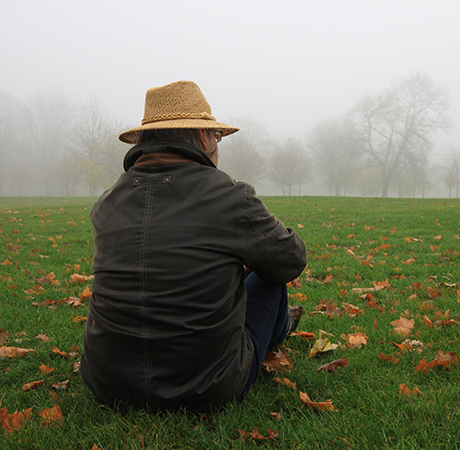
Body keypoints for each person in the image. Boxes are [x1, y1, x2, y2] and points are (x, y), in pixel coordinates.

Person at [80, 81, 307, 413]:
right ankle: (279, 332)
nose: (217, 144)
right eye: (216, 137)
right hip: (204, 388)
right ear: (203, 137)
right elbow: (291, 260)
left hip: (107, 382)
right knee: (268, 276)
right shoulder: (230, 196)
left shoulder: (108, 200)